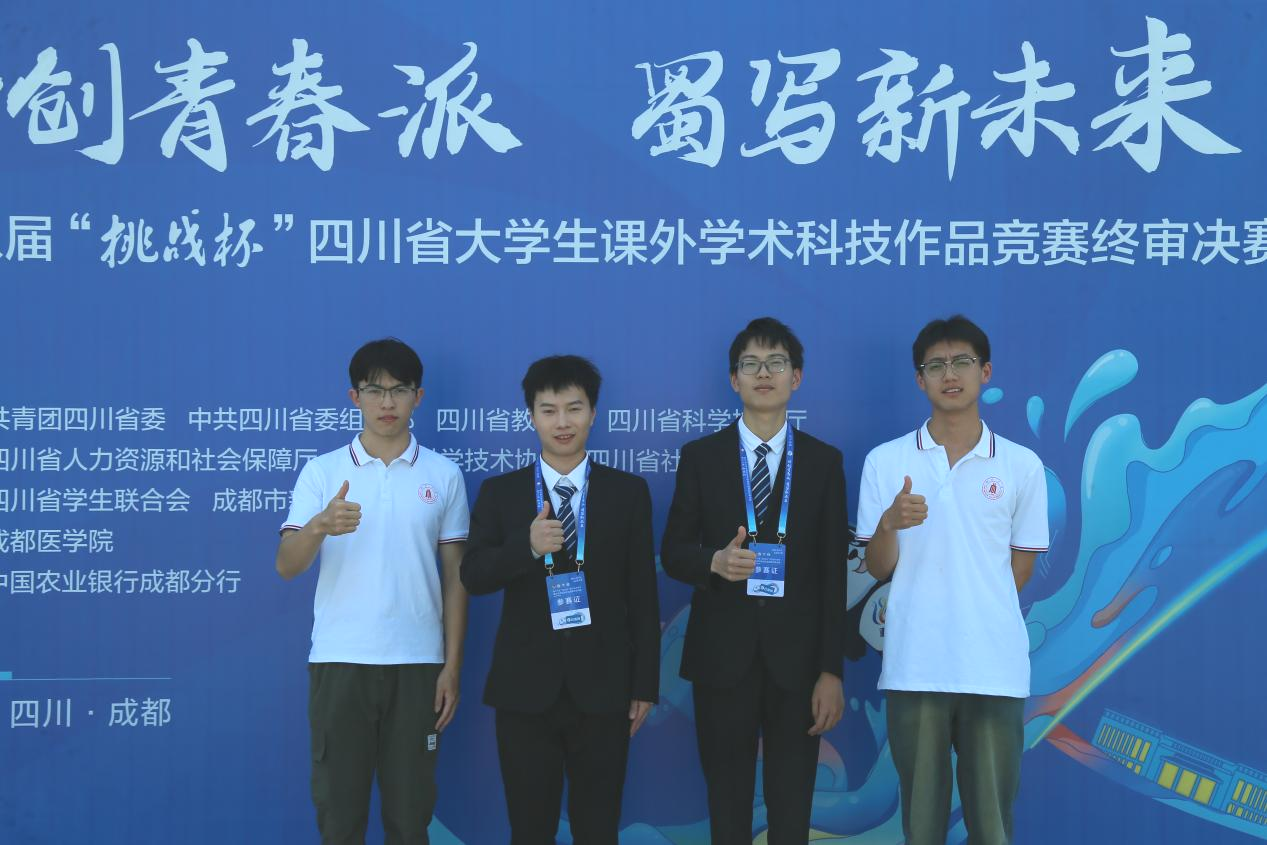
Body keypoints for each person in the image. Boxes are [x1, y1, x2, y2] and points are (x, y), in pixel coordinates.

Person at [855, 315, 1049, 845]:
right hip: (915, 665)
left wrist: (977, 610)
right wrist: (889, 524)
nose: (950, 374)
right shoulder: (886, 461)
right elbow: (878, 566)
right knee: (922, 825)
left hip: (994, 667)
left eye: (962, 361)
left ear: (985, 371)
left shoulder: (1021, 465)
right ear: (920, 380)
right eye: (935, 365)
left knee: (992, 824)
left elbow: (1021, 567)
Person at [661, 317, 849, 845]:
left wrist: (830, 670)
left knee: (792, 811)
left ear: (797, 377)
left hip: (800, 666)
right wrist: (713, 563)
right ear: (733, 379)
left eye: (776, 363)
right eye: (751, 364)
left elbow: (834, 574)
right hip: (722, 660)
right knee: (727, 808)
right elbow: (673, 552)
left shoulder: (824, 462)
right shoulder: (701, 458)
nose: (764, 374)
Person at [276, 338, 469, 845]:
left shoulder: (443, 475)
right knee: (340, 818)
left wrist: (451, 665)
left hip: (417, 665)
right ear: (354, 396)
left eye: (399, 390)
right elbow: (287, 565)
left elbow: (456, 577)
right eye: (374, 390)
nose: (387, 402)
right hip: (341, 661)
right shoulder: (322, 472)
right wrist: (319, 526)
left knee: (410, 818)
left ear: (418, 397)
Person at [461, 355, 660, 845]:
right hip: (524, 692)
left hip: (605, 690)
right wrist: (527, 547)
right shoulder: (501, 493)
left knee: (598, 829)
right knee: (530, 829)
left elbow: (643, 594)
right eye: (548, 410)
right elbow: (473, 576)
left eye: (574, 408)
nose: (562, 422)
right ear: (530, 417)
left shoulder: (628, 493)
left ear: (593, 413)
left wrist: (645, 684)